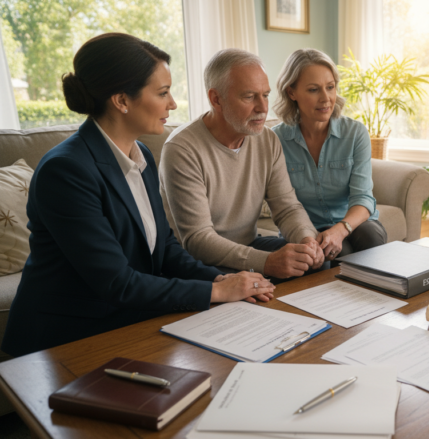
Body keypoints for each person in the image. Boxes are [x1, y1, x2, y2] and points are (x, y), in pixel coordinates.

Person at [1, 34, 273, 358]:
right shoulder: (65, 171)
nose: (172, 103)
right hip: (65, 341)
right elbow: (118, 283)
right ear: (121, 100)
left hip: (126, 318)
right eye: (162, 93)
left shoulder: (139, 153)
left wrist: (226, 278)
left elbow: (167, 249)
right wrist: (216, 290)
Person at [159, 49, 325, 283]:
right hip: (197, 261)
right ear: (216, 99)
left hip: (246, 245)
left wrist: (307, 241)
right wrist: (266, 262)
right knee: (258, 284)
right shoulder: (182, 149)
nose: (262, 107)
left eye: (265, 95)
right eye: (249, 97)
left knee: (314, 263)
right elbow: (198, 239)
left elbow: (287, 208)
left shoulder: (267, 140)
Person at [272, 49, 387, 263]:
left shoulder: (355, 133)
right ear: (291, 92)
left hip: (353, 224)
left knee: (370, 237)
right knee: (337, 255)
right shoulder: (275, 140)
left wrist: (340, 230)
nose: (326, 98)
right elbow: (280, 205)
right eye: (314, 89)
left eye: (330, 87)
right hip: (307, 230)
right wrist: (311, 237)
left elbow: (363, 198)